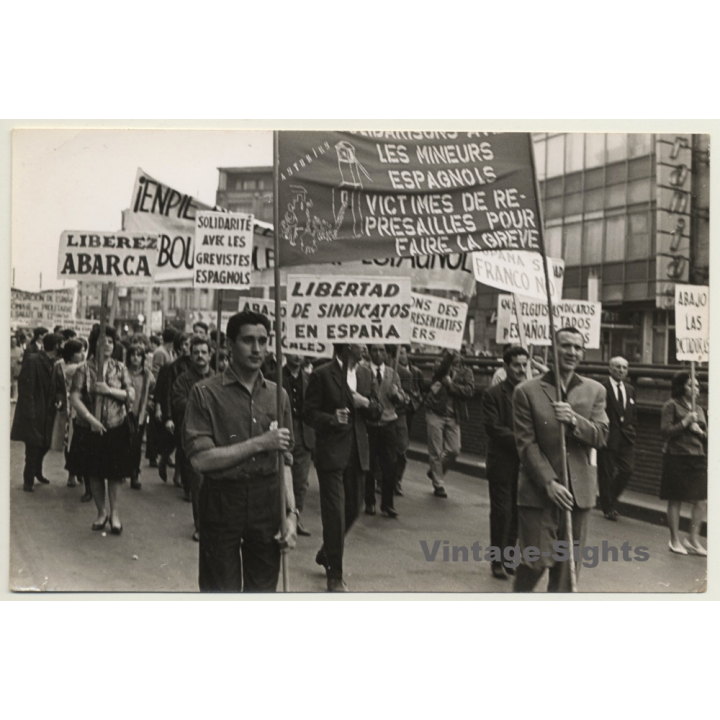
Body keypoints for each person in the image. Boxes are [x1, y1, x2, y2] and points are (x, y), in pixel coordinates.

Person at [183, 311, 297, 592]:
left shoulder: (277, 393)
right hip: (223, 500)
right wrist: (260, 443)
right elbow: (201, 459)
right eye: (248, 340)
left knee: (263, 591)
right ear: (229, 344)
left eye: (263, 340)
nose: (257, 349)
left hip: (267, 500)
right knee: (220, 591)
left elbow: (285, 460)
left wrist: (292, 513)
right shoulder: (205, 393)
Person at [512, 327, 608, 592]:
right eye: (566, 346)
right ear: (553, 349)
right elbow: (526, 444)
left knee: (568, 573)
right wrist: (549, 482)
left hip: (578, 494)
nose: (572, 352)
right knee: (535, 563)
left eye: (577, 347)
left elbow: (601, 435)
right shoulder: (526, 391)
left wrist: (575, 420)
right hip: (538, 492)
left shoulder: (595, 390)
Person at [304, 343, 380, 591]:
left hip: (357, 454)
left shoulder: (366, 374)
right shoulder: (322, 374)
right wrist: (331, 419)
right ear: (346, 345)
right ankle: (334, 576)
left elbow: (378, 411)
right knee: (335, 513)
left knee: (353, 509)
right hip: (331, 454)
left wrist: (366, 403)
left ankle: (327, 552)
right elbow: (309, 413)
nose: (365, 346)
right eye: (360, 342)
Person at [68, 325, 135, 534]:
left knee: (115, 474)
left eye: (110, 342)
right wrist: (90, 419)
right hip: (91, 428)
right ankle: (101, 512)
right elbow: (75, 397)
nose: (107, 345)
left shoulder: (120, 368)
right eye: (102, 341)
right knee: (94, 473)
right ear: (93, 343)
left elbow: (130, 394)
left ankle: (115, 514)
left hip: (116, 426)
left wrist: (110, 390)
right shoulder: (84, 369)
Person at [481, 345, 528, 580]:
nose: (521, 369)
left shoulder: (530, 393)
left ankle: (509, 558)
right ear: (506, 367)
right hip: (503, 462)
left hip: (526, 465)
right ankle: (497, 561)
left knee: (518, 513)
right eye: (517, 365)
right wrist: (523, 441)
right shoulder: (493, 394)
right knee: (502, 513)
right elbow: (493, 428)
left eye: (524, 365)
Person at [660, 371, 707, 556]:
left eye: (697, 385)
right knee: (676, 498)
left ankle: (693, 539)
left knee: (702, 500)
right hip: (676, 455)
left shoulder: (700, 410)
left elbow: (707, 436)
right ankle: (674, 539)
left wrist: (698, 431)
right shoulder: (671, 405)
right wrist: (685, 422)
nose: (695, 389)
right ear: (681, 387)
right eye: (690, 385)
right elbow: (665, 432)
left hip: (697, 455)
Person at [172, 335, 214, 540]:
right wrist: (198, 401)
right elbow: (177, 401)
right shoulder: (183, 380)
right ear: (190, 356)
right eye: (196, 352)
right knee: (198, 484)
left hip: (217, 437)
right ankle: (200, 526)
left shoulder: (218, 378)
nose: (200, 356)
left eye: (204, 352)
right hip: (195, 437)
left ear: (210, 355)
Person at [11, 333, 63, 491]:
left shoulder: (55, 363)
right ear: (55, 346)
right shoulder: (34, 360)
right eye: (61, 344)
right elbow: (25, 389)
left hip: (48, 412)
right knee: (32, 448)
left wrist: (59, 397)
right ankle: (29, 481)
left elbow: (59, 385)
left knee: (45, 444)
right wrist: (31, 412)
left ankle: (37, 471)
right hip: (34, 412)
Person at [424, 349, 475, 498]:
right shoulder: (440, 366)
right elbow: (440, 372)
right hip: (435, 412)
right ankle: (438, 484)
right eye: (453, 352)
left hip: (454, 415)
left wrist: (452, 385)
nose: (456, 354)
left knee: (454, 450)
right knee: (435, 450)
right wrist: (449, 356)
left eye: (458, 352)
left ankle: (435, 471)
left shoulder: (467, 372)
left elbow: (470, 391)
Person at [365, 344, 405, 517]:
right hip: (370, 424)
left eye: (382, 350)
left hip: (388, 424)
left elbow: (402, 399)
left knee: (390, 464)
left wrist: (397, 394)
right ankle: (369, 502)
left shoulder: (392, 373)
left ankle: (387, 503)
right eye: (374, 350)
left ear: (387, 354)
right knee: (369, 465)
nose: (378, 353)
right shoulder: (363, 371)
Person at [598, 356, 637, 521]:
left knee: (627, 470)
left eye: (624, 367)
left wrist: (633, 430)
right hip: (608, 436)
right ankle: (607, 508)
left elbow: (632, 413)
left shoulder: (630, 389)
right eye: (618, 367)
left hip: (625, 437)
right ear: (610, 369)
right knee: (606, 472)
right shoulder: (602, 386)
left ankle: (609, 500)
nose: (621, 370)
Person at [282, 353, 315, 537]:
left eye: (300, 352)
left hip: (304, 433)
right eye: (292, 351)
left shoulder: (310, 379)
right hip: (284, 428)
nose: (296, 356)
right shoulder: (274, 376)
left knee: (300, 480)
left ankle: (296, 517)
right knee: (279, 476)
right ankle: (279, 518)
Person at [155, 332, 191, 485]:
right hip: (177, 409)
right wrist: (166, 414)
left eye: (189, 344)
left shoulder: (198, 365)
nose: (186, 347)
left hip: (190, 408)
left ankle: (178, 475)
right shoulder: (172, 367)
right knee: (176, 442)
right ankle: (165, 460)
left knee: (182, 445)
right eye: (183, 344)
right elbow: (167, 392)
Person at [54, 339, 85, 488]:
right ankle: (72, 473)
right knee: (70, 443)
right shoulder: (60, 366)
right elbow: (55, 386)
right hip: (66, 409)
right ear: (71, 354)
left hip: (82, 406)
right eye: (79, 352)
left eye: (83, 351)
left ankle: (79, 472)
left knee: (81, 442)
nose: (82, 354)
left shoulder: (83, 366)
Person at [126, 342, 156, 490]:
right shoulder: (123, 371)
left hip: (140, 413)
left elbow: (153, 392)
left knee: (136, 445)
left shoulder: (147, 374)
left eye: (139, 355)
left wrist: (149, 404)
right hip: (123, 413)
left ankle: (134, 473)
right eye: (133, 355)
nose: (136, 358)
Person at [11, 334, 23, 402]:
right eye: (12, 341)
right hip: (9, 368)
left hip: (16, 368)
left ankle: (15, 397)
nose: (13, 343)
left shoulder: (20, 349)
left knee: (15, 383)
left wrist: (21, 359)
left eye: (15, 341)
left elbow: (23, 357)